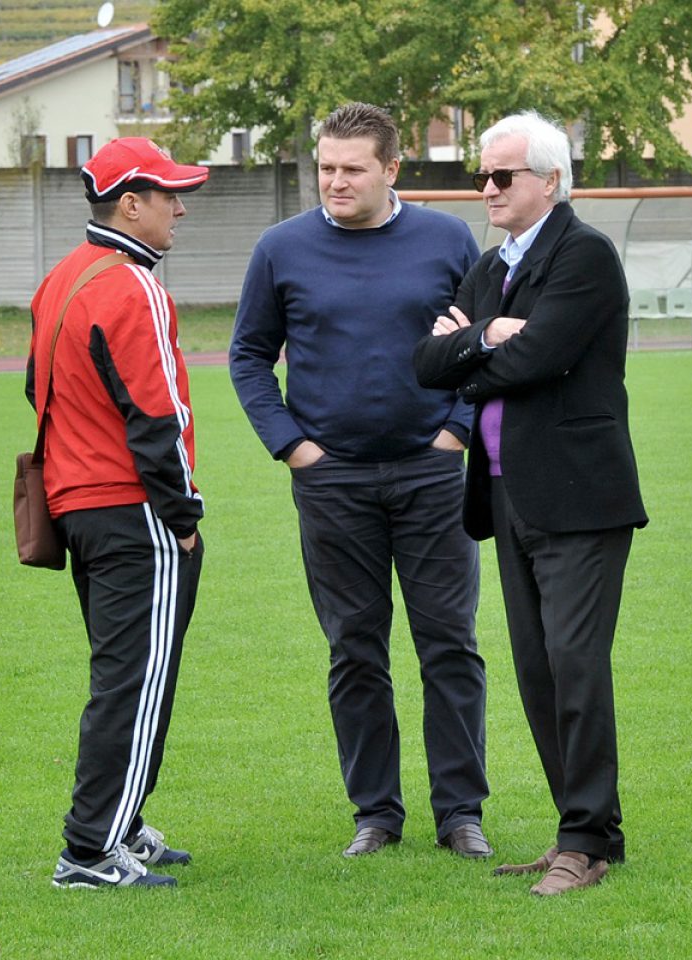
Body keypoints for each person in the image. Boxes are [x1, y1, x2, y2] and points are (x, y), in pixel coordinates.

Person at [230, 102, 492, 859]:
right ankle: (375, 813)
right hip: (331, 480)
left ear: (391, 170)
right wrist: (293, 447)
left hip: (432, 473)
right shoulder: (281, 249)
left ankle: (460, 813)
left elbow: (479, 347)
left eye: (351, 168)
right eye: (325, 167)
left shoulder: (447, 240)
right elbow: (248, 355)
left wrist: (456, 434)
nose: (335, 181)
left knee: (449, 643)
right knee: (355, 647)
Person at [412, 112, 648, 896]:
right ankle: (584, 831)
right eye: (482, 176)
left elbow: (539, 357)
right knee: (539, 672)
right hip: (508, 497)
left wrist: (474, 347)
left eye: (502, 176)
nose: (487, 188)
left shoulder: (584, 255)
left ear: (549, 181)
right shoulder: (489, 268)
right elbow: (427, 362)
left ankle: (585, 842)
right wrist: (489, 338)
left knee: (577, 666)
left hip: (582, 497)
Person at [25, 137, 209, 889]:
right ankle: (92, 849)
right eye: (168, 195)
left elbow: (38, 389)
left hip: (78, 508)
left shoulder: (60, 278)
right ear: (129, 204)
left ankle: (121, 824)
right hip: (134, 512)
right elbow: (156, 415)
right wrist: (184, 514)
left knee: (121, 674)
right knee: (135, 682)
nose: (180, 207)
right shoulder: (134, 287)